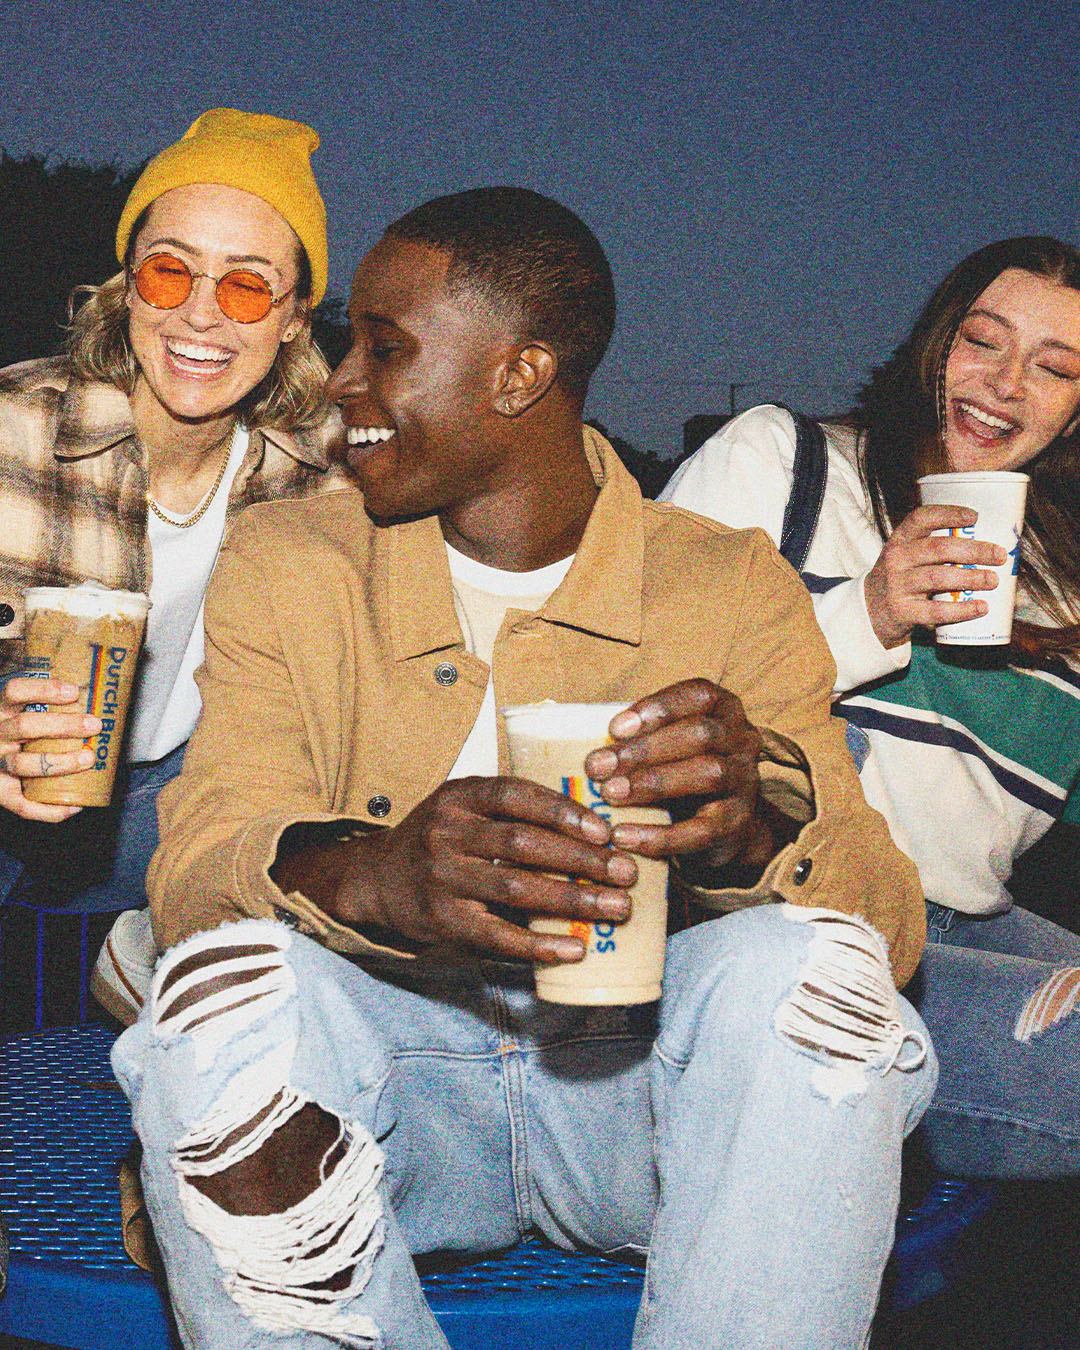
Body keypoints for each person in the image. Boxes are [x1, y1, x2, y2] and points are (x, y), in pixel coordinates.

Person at [112, 187, 935, 1350]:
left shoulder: (724, 580)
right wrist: (374, 875)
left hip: (641, 1108)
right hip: (387, 1105)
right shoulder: (294, 561)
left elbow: (886, 936)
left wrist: (753, 827)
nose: (340, 381)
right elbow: (196, 873)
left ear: (518, 375)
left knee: (817, 974)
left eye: (385, 349)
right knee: (222, 992)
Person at [662, 235, 1080, 1179]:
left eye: (1055, 369)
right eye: (984, 342)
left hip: (973, 925)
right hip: (782, 920)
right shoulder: (788, 462)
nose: (1007, 384)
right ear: (936, 342)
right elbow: (650, 690)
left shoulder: (1065, 579)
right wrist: (873, 610)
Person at [0, 108, 350, 1020]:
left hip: (188, 809)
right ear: (128, 290)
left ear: (294, 319)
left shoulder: (330, 473)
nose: (201, 313)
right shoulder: (13, 429)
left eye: (247, 286)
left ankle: (159, 951)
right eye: (170, 271)